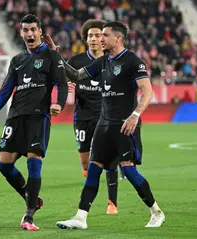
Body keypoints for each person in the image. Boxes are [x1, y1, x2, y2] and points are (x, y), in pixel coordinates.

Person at [54, 21, 165, 229]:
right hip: (103, 125)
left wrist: (135, 114)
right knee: (94, 169)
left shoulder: (133, 61)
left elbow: (148, 92)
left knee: (129, 171)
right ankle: (80, 217)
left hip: (124, 126)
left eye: (105, 35)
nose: (101, 39)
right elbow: (77, 76)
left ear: (118, 38)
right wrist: (56, 57)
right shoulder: (102, 61)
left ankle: (156, 212)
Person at [0, 14, 68, 231]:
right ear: (21, 33)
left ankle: (28, 216)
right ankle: (32, 198)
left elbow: (62, 83)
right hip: (16, 116)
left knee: (33, 161)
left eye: (33, 30)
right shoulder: (17, 60)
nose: (29, 34)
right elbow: (6, 88)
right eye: (25, 30)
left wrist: (59, 104)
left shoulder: (51, 56)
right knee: (4, 163)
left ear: (40, 32)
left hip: (38, 116)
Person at [46, 19, 121, 214]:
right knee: (86, 162)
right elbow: (65, 79)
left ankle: (112, 202)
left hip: (105, 117)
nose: (94, 39)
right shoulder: (76, 61)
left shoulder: (111, 60)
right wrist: (56, 56)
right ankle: (89, 174)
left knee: (108, 158)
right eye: (90, 36)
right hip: (82, 116)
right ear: (85, 39)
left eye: (98, 35)